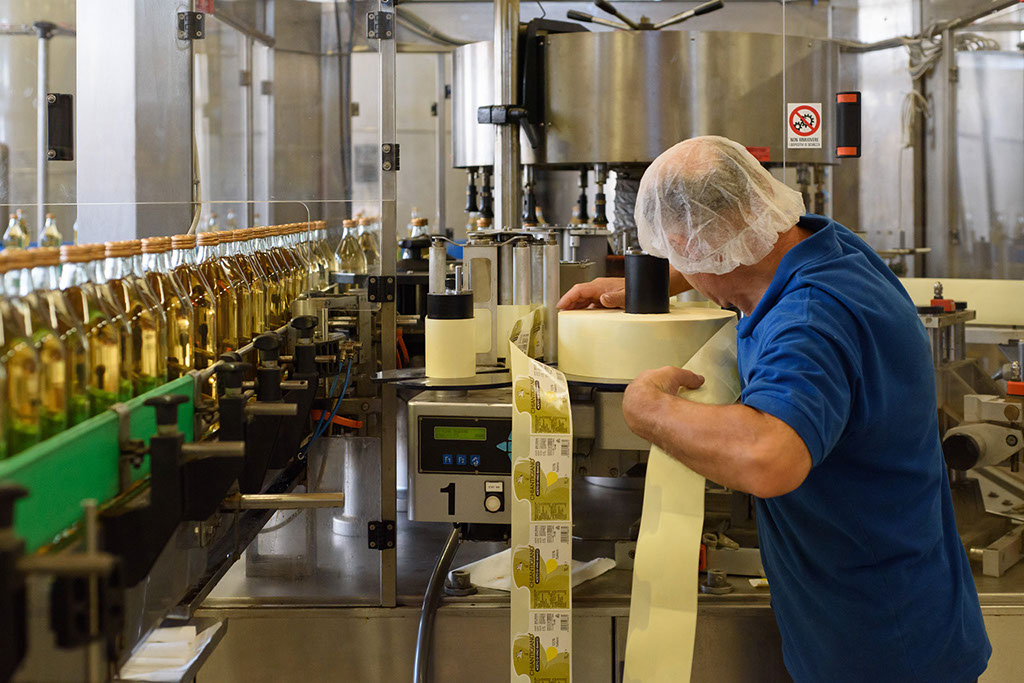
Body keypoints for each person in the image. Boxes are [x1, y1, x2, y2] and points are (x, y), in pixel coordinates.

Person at [558, 136, 990, 682]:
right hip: (908, 610)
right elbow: (736, 233)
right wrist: (661, 279)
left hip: (878, 646)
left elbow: (769, 456)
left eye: (680, 252)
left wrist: (647, 410)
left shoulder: (808, 318)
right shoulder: (828, 247)